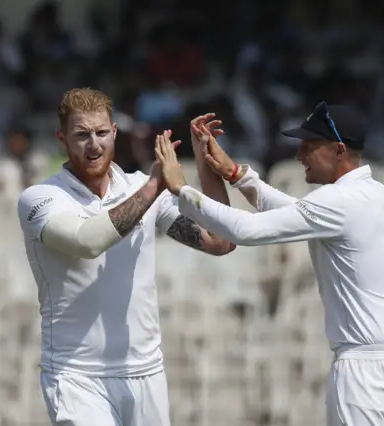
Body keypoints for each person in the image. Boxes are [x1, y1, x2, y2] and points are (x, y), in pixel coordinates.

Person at [155, 102, 384, 426]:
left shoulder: (338, 202)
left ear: (338, 150)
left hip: (365, 372)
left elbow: (247, 230)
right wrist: (236, 175)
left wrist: (181, 189)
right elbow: (294, 211)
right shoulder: (375, 194)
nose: (299, 156)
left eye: (308, 147)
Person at [16, 87, 235, 426]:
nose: (94, 144)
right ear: (62, 137)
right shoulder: (41, 198)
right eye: (81, 135)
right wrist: (153, 186)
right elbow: (86, 242)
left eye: (102, 133)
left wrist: (206, 166)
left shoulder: (141, 188)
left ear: (114, 132)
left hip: (147, 373)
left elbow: (219, 241)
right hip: (77, 376)